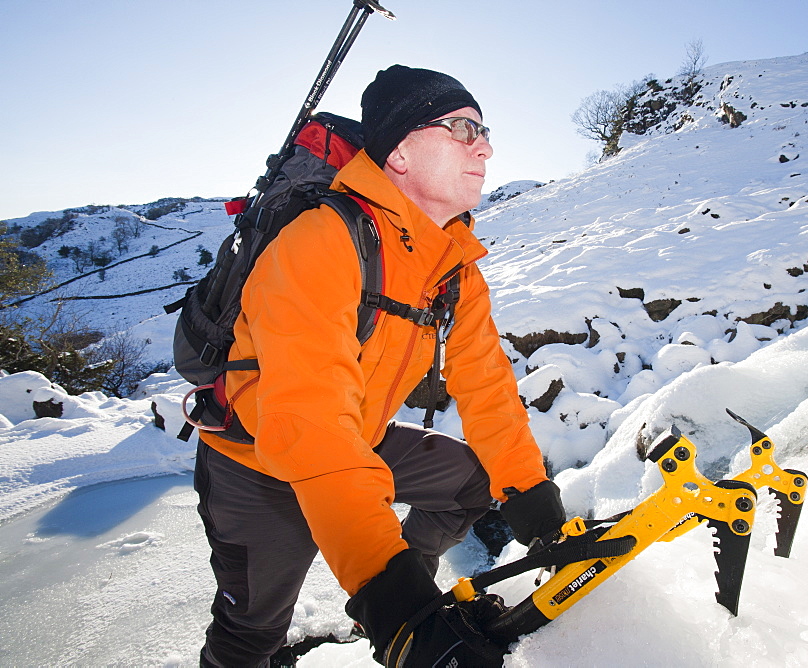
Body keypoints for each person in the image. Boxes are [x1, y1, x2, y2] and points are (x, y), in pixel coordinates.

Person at [194, 64, 566, 667]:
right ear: (398, 152)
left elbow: (485, 385)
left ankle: (400, 599)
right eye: (462, 129)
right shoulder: (320, 241)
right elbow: (310, 425)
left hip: (354, 441)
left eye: (485, 130)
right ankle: (392, 601)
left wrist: (529, 491)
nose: (486, 146)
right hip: (256, 458)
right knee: (251, 634)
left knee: (466, 484)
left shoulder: (452, 265)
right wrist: (389, 594)